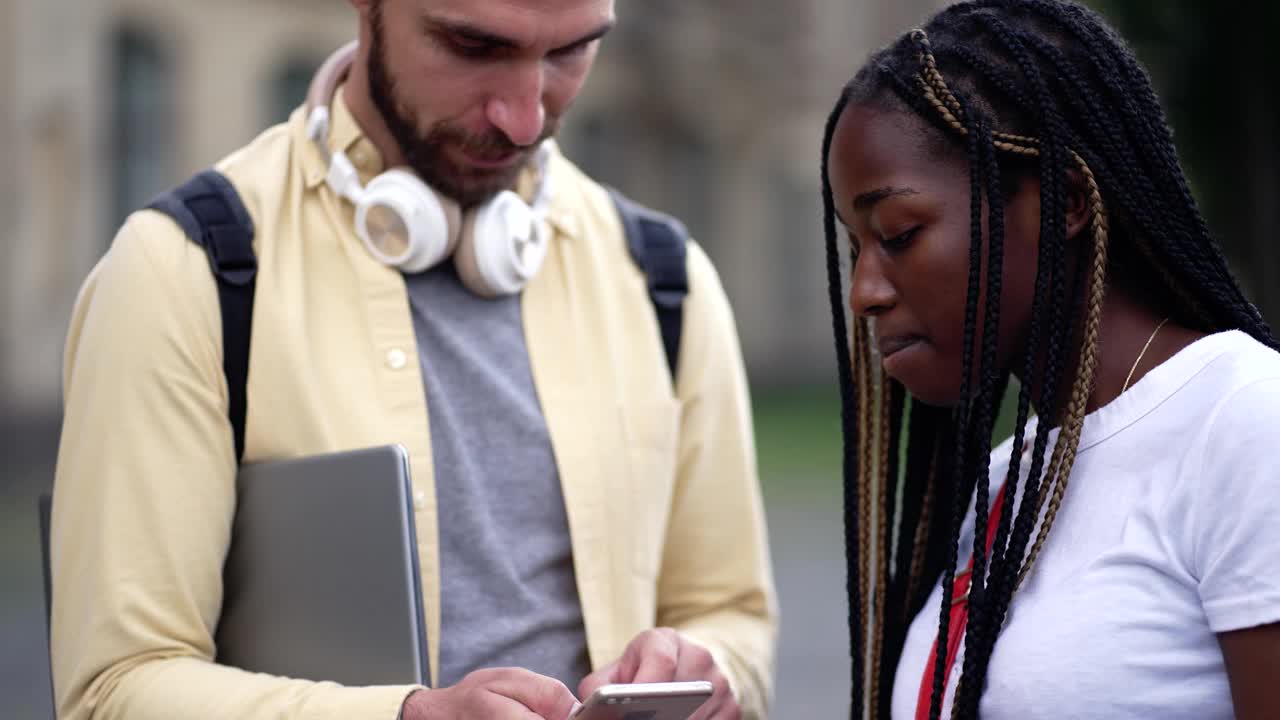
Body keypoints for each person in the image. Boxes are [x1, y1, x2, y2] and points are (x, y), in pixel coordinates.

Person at [49, 1, 776, 719]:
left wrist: (712, 674)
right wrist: (402, 716)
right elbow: (115, 688)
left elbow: (732, 618)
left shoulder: (663, 280)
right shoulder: (180, 273)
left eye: (570, 52)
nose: (524, 118)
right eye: (472, 45)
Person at [819, 1, 1280, 718]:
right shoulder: (1009, 479)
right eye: (855, 249)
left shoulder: (1246, 421)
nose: (863, 292)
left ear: (1063, 200)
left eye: (899, 235)